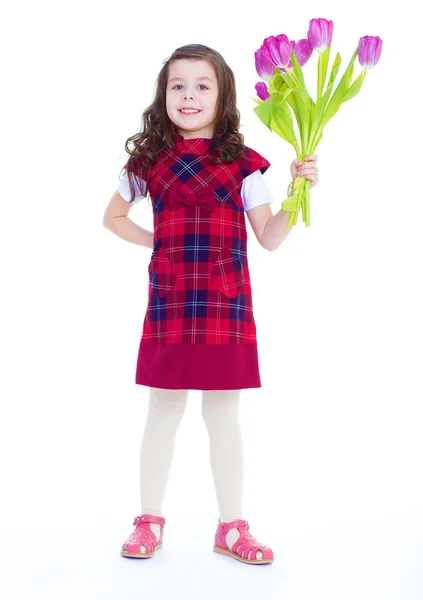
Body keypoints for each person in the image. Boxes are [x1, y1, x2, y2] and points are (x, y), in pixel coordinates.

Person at [103, 43, 319, 565]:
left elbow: (269, 236)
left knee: (224, 413)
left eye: (203, 85)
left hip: (226, 302)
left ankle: (231, 526)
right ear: (163, 96)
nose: (189, 95)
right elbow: (112, 217)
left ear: (223, 97)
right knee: (163, 408)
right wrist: (156, 243)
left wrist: (298, 192)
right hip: (171, 299)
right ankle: (149, 521)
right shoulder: (148, 161)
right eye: (178, 85)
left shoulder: (244, 164)